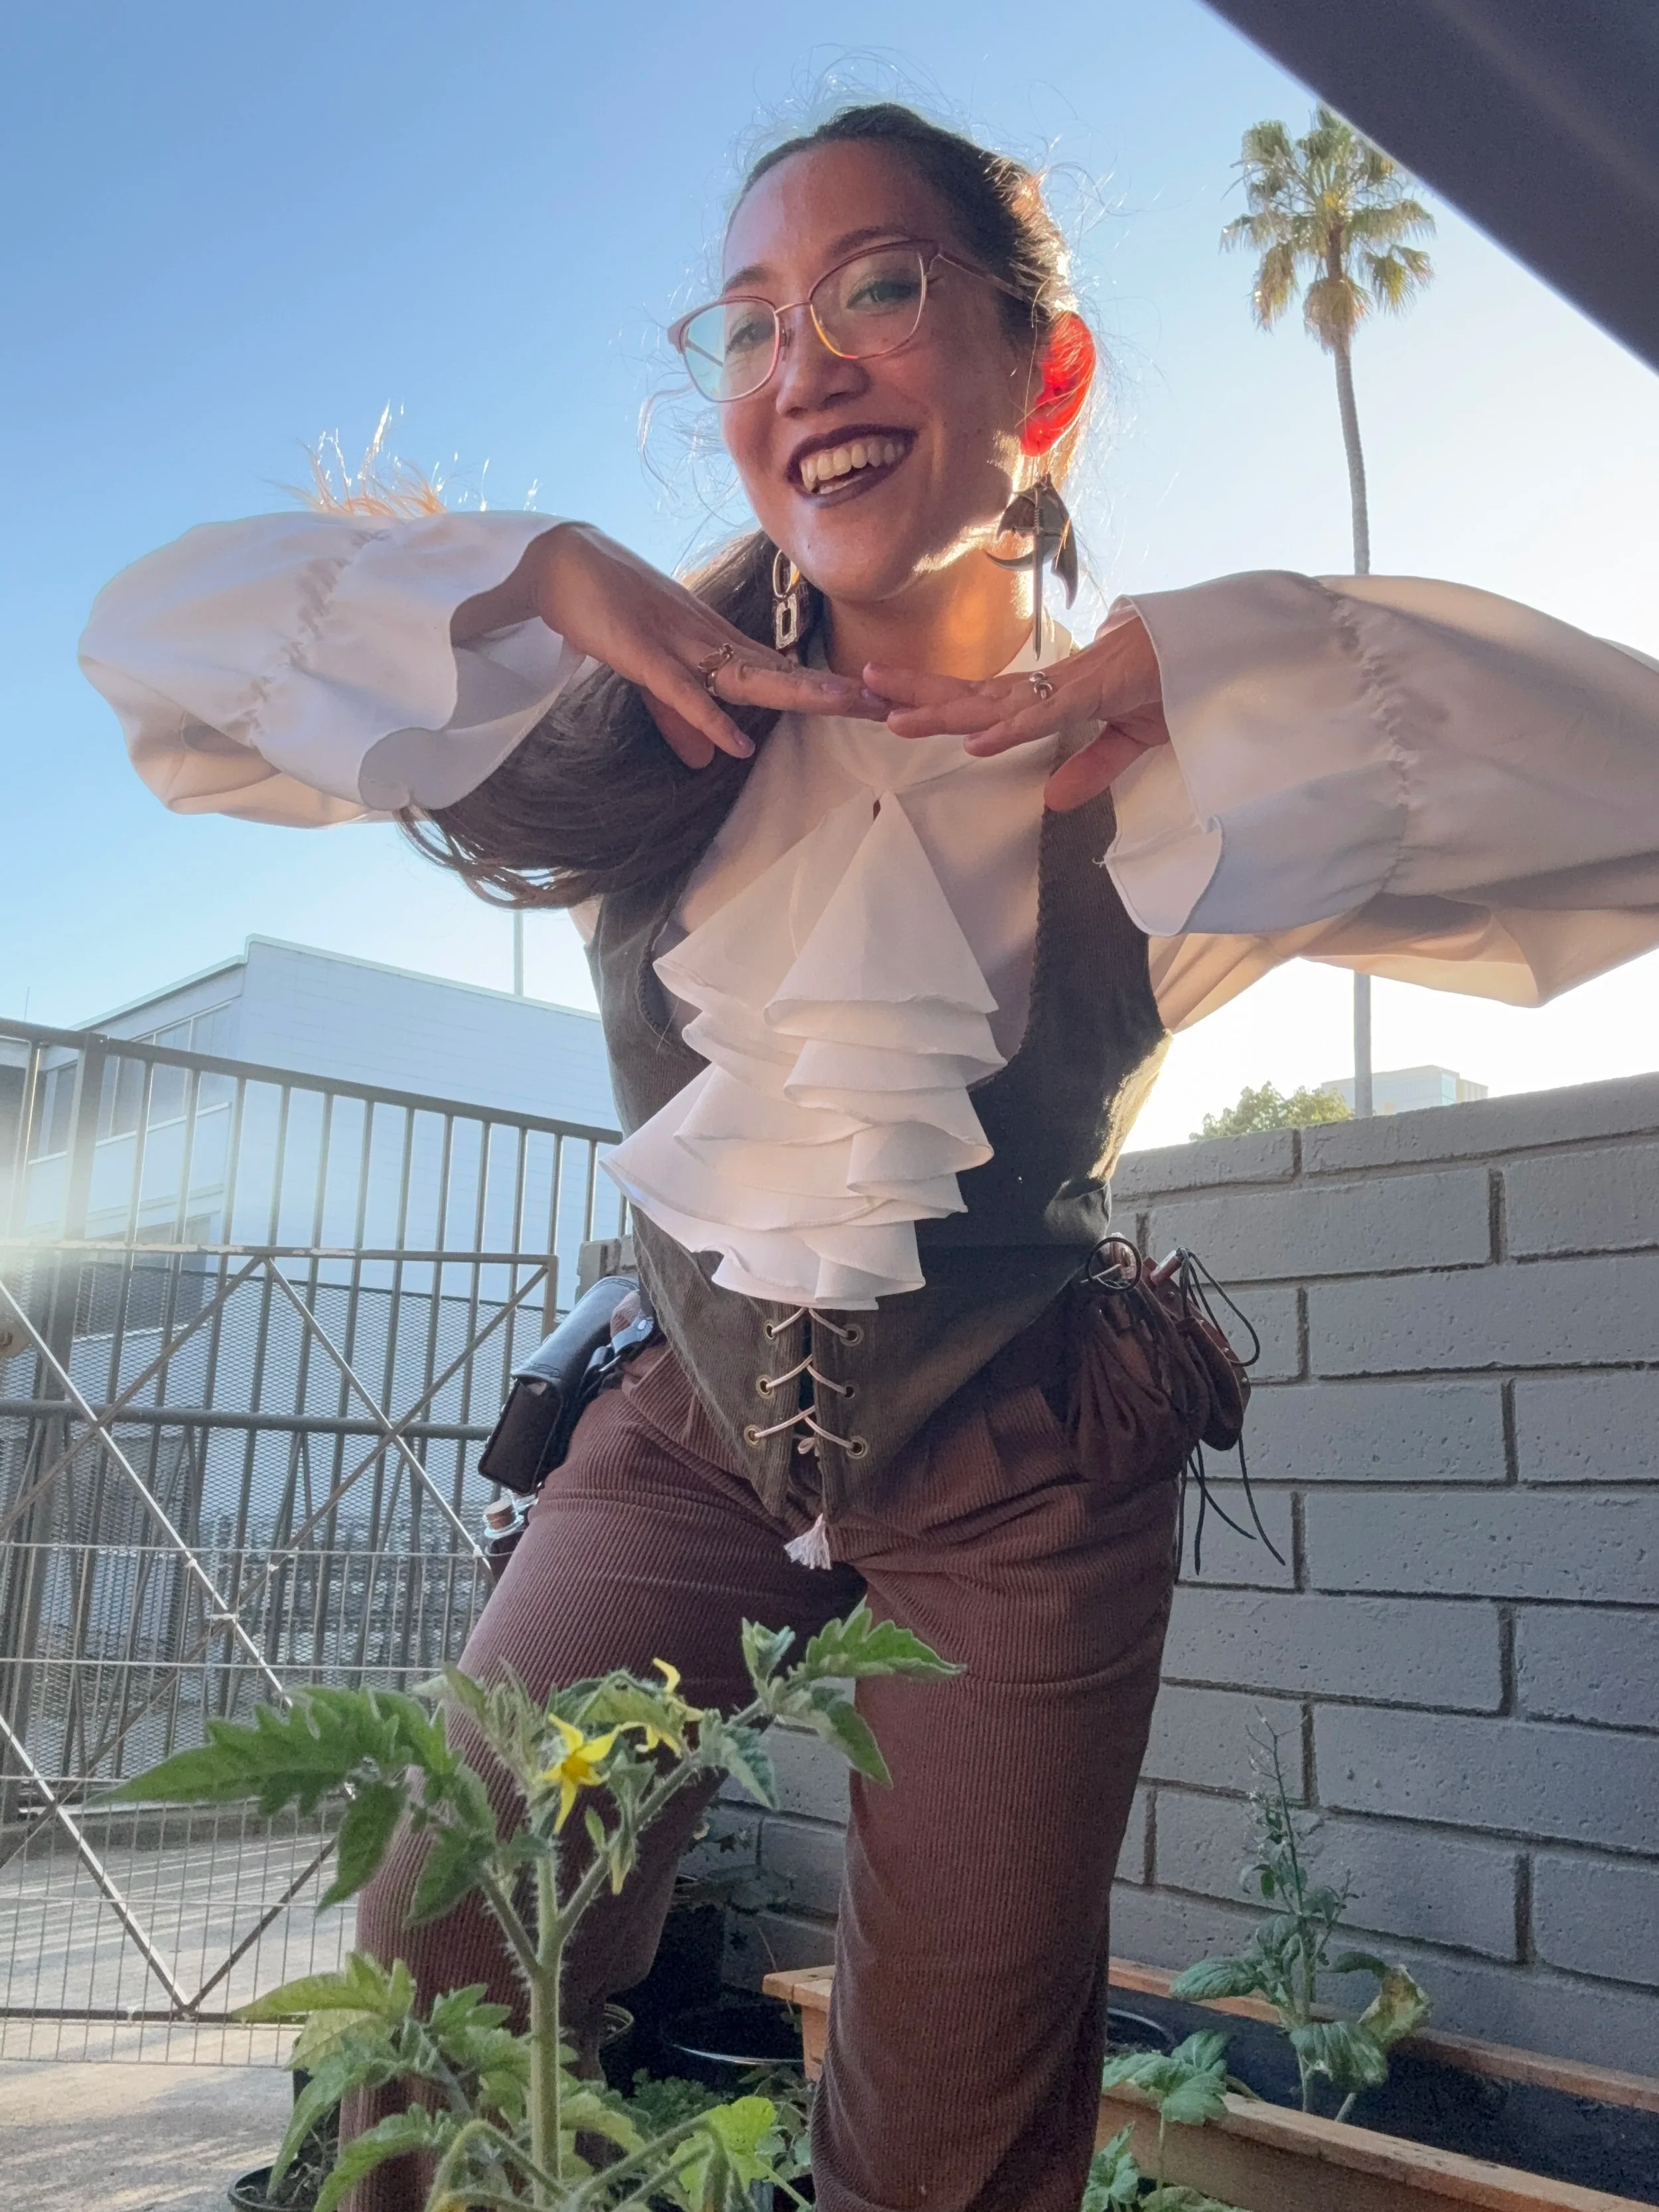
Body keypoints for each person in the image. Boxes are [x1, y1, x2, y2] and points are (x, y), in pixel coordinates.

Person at [80, 101, 1659, 2212]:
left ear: (1048, 370)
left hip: (1025, 1463)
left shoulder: (1197, 773)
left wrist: (1223, 666)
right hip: (677, 1427)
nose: (799, 363)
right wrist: (522, 571)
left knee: (956, 2100)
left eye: (877, 288)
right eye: (745, 324)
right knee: (441, 1953)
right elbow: (153, 656)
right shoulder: (617, 701)